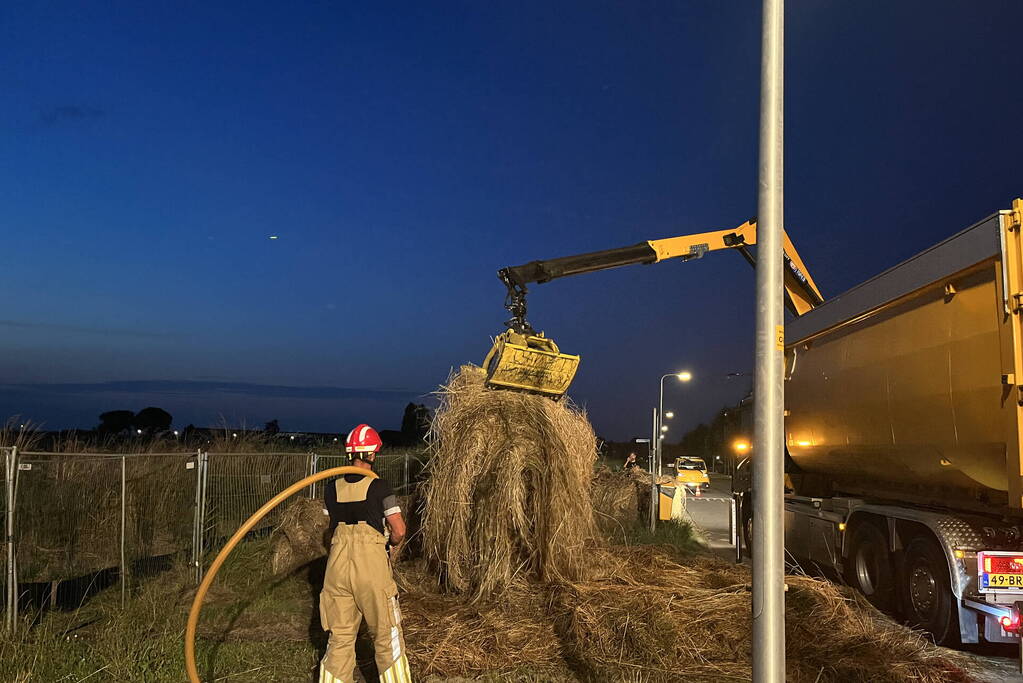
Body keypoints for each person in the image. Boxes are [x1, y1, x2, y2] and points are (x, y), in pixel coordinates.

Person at [319, 423, 411, 683]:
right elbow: (399, 529)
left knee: (339, 638)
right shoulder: (380, 487)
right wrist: (392, 544)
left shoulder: (330, 488)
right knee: (386, 636)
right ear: (372, 454)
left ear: (350, 453)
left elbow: (330, 527)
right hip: (370, 568)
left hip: (337, 569)